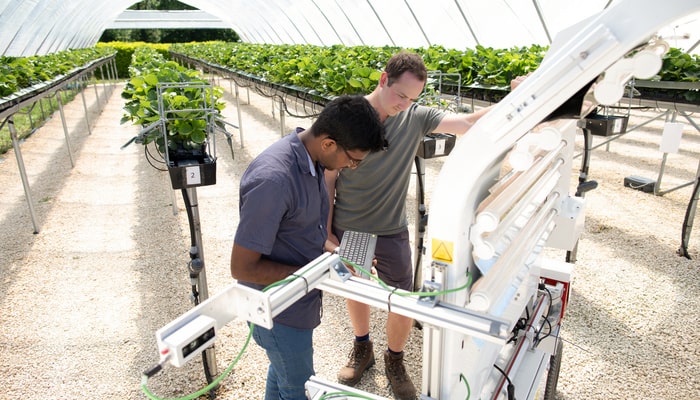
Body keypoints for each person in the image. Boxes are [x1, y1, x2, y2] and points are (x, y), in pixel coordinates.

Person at [324, 51, 523, 399]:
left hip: (391, 227)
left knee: (402, 298)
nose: (404, 104)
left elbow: (467, 124)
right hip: (349, 224)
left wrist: (517, 98)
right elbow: (327, 176)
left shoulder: (414, 117)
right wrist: (325, 231)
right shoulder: (347, 115)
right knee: (356, 290)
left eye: (412, 98)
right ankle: (362, 348)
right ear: (383, 79)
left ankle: (395, 359)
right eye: (401, 95)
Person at [230, 94, 386, 400]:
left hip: (298, 304)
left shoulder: (313, 161)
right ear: (329, 143)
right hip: (278, 313)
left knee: (283, 374)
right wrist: (316, 274)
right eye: (352, 159)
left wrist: (336, 256)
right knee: (299, 387)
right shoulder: (274, 180)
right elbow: (242, 267)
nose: (352, 167)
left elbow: (302, 232)